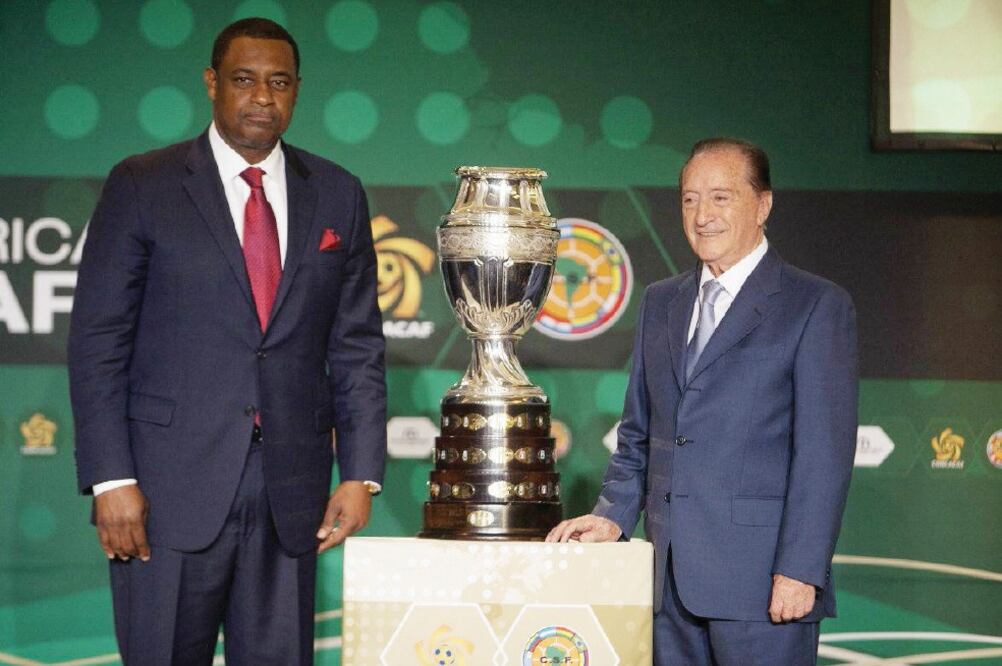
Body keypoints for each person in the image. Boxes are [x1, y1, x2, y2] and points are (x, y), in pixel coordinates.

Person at [68, 18, 386, 665]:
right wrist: (110, 478)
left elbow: (356, 345)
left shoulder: (336, 193)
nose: (262, 98)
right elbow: (98, 340)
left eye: (278, 83)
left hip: (289, 496)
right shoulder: (142, 184)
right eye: (244, 80)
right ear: (212, 84)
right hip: (162, 492)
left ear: (297, 90)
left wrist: (359, 473)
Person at [548, 138, 857, 665]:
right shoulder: (662, 301)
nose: (702, 215)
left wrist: (802, 569)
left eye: (720, 198)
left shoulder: (815, 305)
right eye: (690, 199)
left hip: (763, 587)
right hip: (667, 587)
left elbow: (823, 455)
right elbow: (640, 432)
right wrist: (613, 517)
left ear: (763, 205)